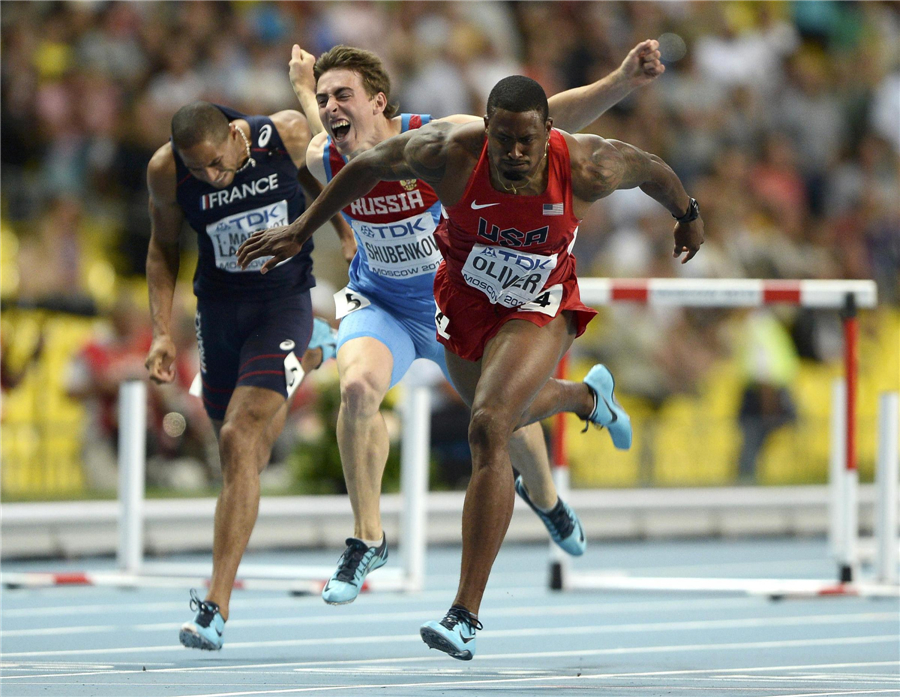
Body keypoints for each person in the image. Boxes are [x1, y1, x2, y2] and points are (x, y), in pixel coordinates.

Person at [238, 75, 704, 660]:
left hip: (538, 304)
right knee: (496, 412)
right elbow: (361, 168)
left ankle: (464, 614)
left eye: (526, 141)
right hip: (461, 300)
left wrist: (688, 213)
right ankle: (585, 399)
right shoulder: (449, 152)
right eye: (502, 139)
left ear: (546, 133)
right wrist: (300, 229)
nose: (513, 153)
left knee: (487, 426)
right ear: (486, 129)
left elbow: (653, 168)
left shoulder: (589, 166)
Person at [144, 100, 353, 651]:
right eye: (199, 170)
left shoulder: (282, 133)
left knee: (240, 438)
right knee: (240, 456)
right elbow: (163, 247)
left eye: (217, 163)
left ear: (237, 136)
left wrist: (351, 238)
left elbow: (330, 185)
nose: (210, 177)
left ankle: (214, 605)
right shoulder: (166, 170)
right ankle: (309, 357)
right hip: (218, 313)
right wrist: (162, 331)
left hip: (282, 302)